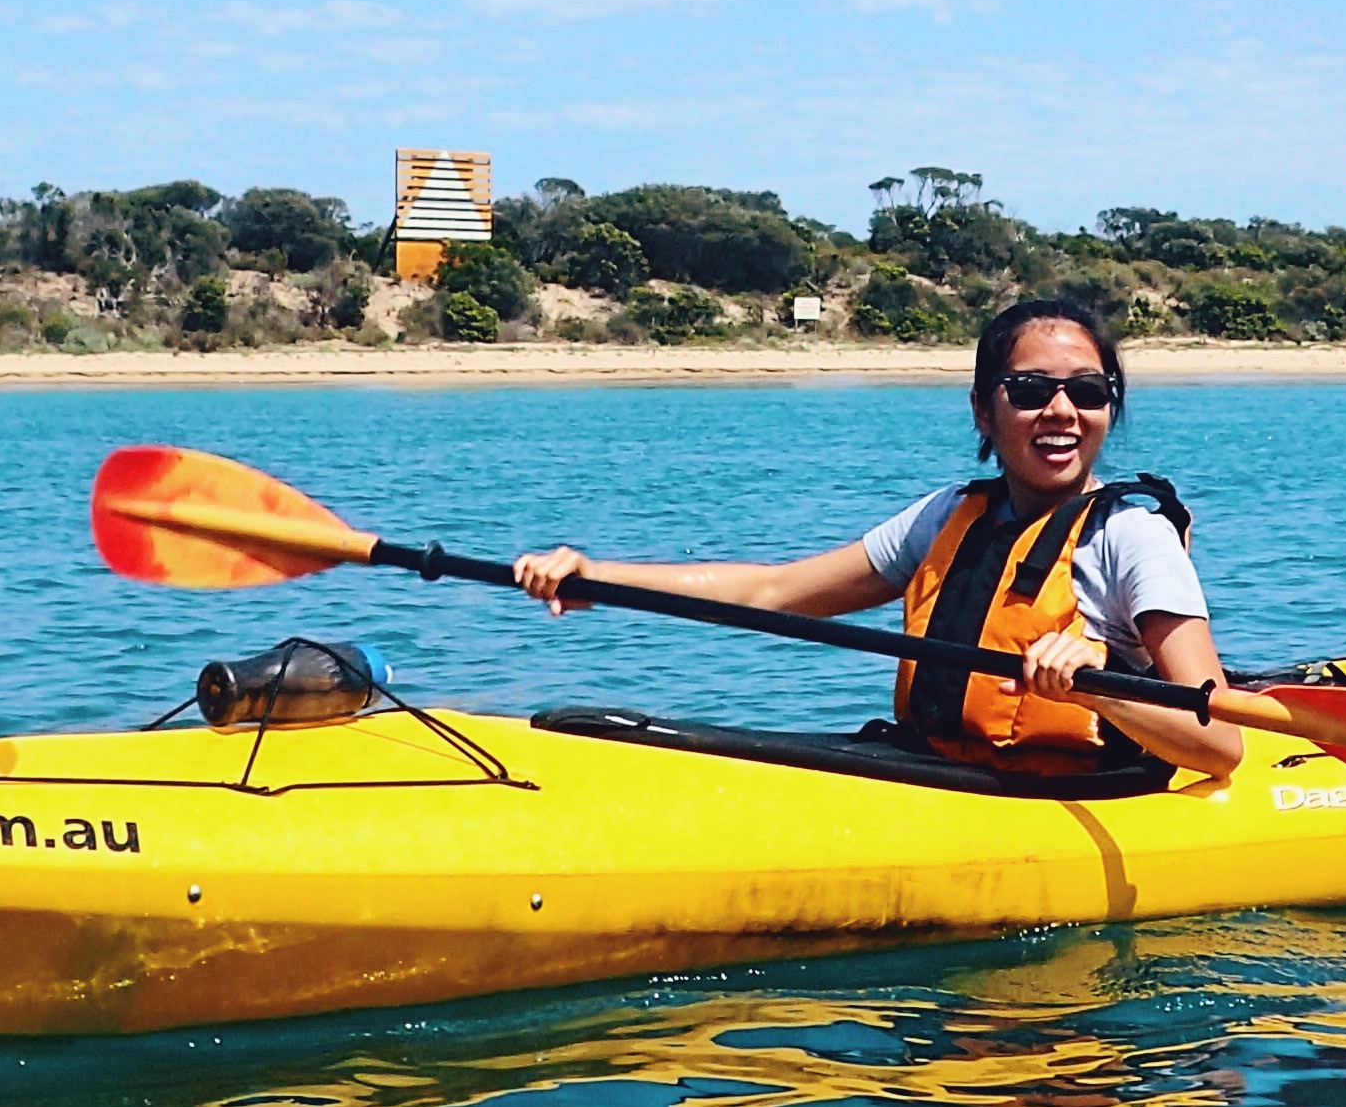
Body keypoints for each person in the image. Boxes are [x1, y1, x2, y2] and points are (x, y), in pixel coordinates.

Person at [508, 298, 1241, 788]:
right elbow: (774, 592)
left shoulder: (1131, 539)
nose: (1061, 411)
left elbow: (1220, 745)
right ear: (983, 411)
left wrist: (1100, 687)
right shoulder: (947, 517)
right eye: (1028, 390)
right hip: (942, 774)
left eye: (1087, 391)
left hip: (1076, 793)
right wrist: (599, 578)